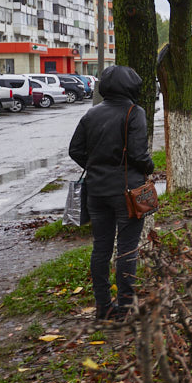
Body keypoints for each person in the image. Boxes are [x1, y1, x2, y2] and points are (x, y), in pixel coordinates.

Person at [68, 65, 153, 321]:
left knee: (101, 249)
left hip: (96, 192)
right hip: (127, 193)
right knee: (127, 250)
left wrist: (96, 166)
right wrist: (149, 167)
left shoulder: (91, 113)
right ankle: (126, 308)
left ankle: (103, 307)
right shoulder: (134, 112)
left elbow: (75, 150)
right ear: (132, 86)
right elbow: (139, 155)